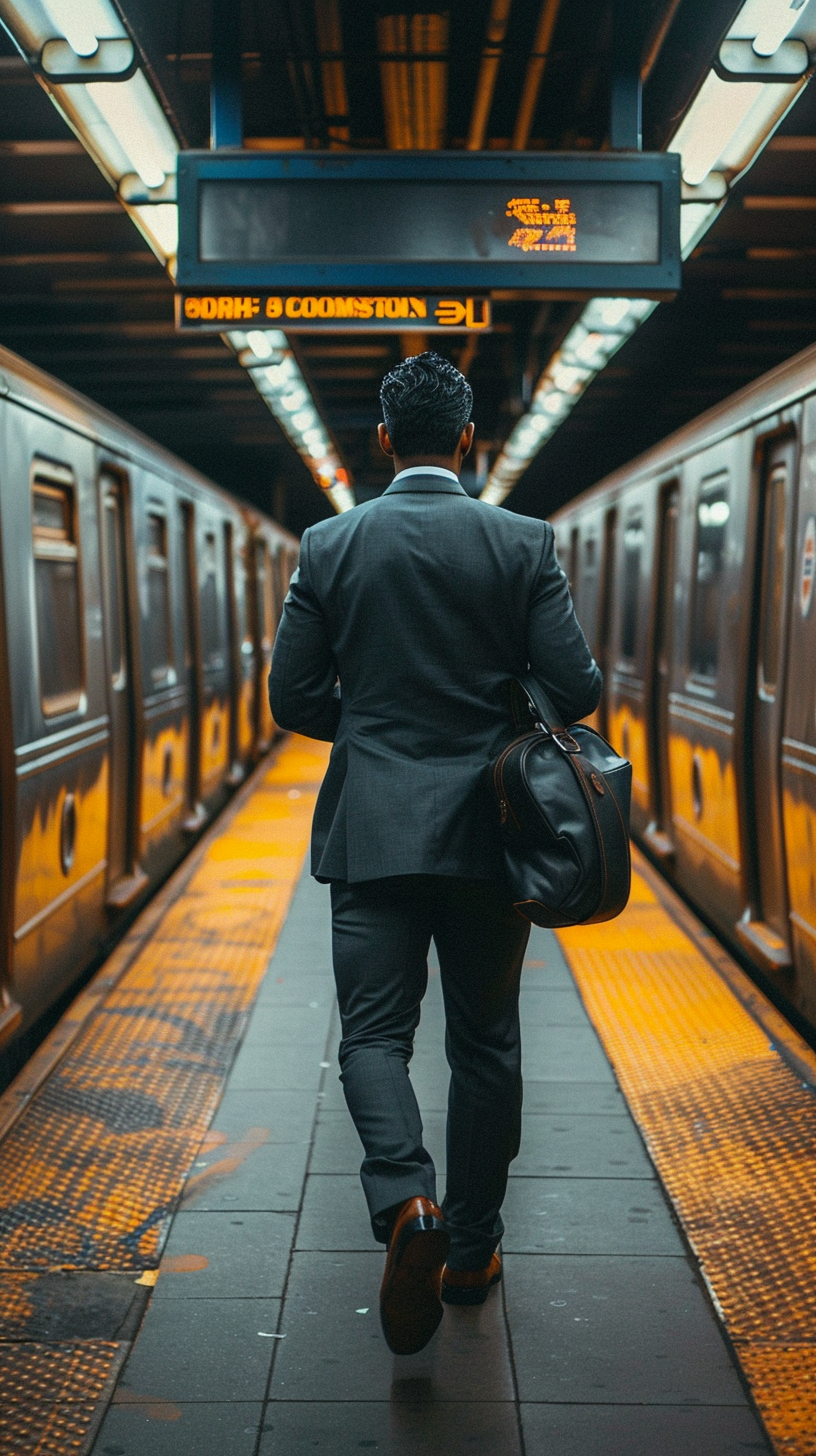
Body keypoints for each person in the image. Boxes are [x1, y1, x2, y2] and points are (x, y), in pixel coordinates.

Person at [269, 351, 601, 1356]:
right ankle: (470, 1251)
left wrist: (370, 729)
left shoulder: (330, 545)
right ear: (467, 441)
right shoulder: (521, 541)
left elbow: (291, 697)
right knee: (485, 1042)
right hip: (491, 833)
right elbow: (574, 688)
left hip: (370, 828)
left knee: (372, 1036)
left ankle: (407, 1200)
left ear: (383, 439)